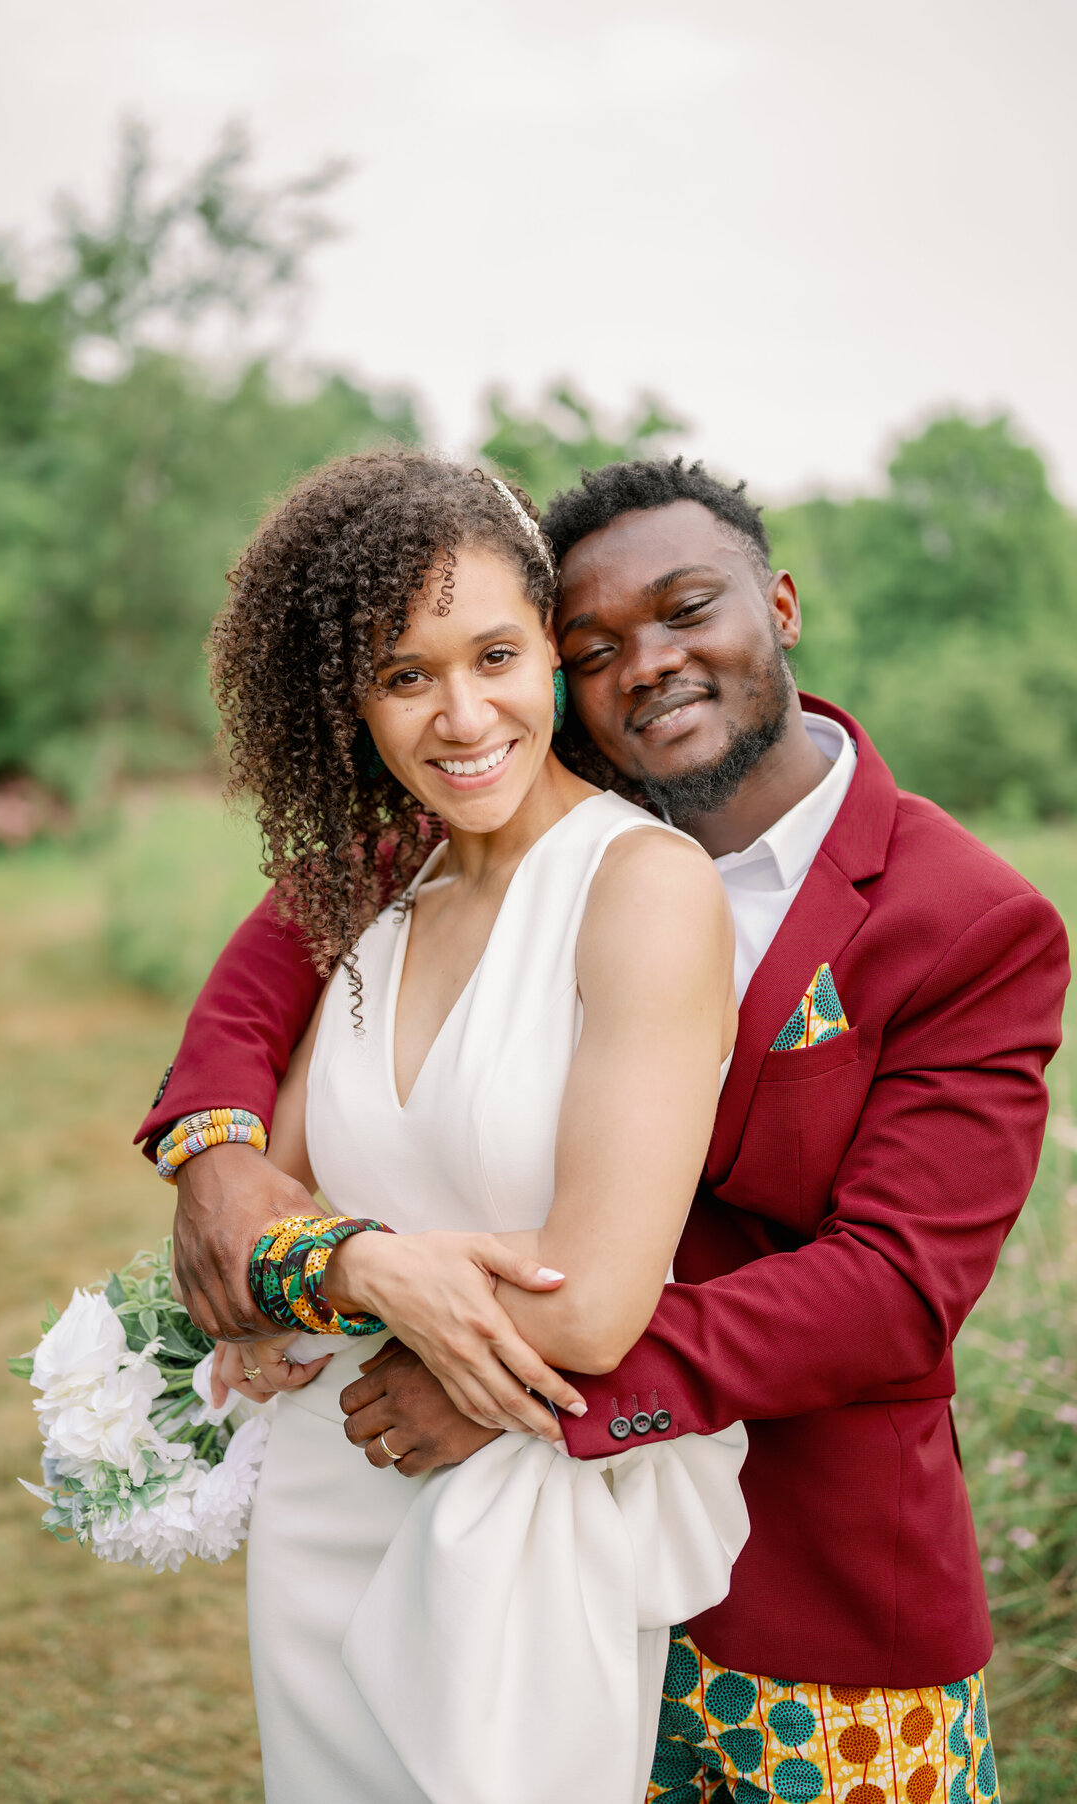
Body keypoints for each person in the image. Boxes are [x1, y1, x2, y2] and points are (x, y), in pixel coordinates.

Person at [140, 457, 1070, 1804]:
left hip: (806, 1585)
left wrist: (512, 1384)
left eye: (692, 609)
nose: (651, 663)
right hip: (485, 1552)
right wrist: (216, 1153)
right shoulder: (484, 811)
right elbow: (275, 964)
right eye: (594, 646)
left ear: (784, 604)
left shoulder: (969, 919)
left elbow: (896, 1289)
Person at [180, 449, 749, 1804]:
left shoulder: (641, 891)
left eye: (493, 654)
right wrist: (347, 1264)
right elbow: (274, 1196)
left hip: (513, 1515)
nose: (461, 714)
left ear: (550, 650)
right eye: (403, 675)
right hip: (325, 1500)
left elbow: (598, 1300)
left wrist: (330, 1267)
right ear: (352, 706)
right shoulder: (385, 907)